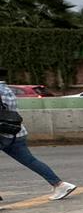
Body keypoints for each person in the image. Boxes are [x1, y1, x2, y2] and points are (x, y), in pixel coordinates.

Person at [0, 67, 76, 201]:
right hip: (16, 131)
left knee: (30, 160)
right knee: (31, 161)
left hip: (3, 133)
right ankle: (60, 185)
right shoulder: (7, 89)